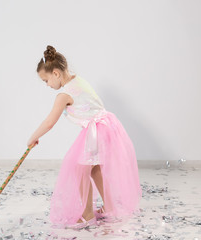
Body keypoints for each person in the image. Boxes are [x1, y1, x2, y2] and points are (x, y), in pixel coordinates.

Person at [27, 45, 142, 230]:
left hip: (97, 130)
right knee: (94, 169)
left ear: (56, 73)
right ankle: (110, 207)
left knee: (78, 168)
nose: (47, 85)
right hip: (107, 127)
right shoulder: (78, 81)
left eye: (46, 80)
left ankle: (87, 215)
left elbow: (50, 122)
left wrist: (32, 137)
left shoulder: (63, 95)